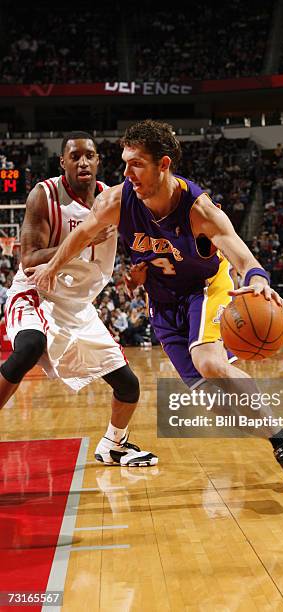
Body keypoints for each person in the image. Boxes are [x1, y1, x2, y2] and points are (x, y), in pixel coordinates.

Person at [27, 120, 283, 497]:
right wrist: (51, 268)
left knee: (210, 363)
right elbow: (81, 235)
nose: (126, 172)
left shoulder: (198, 208)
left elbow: (241, 254)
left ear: (163, 164)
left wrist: (259, 280)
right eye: (124, 162)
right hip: (163, 304)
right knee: (219, 407)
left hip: (206, 289)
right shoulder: (116, 200)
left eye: (137, 164)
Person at [0, 131, 157, 468]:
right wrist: (83, 238)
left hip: (78, 307)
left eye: (90, 155)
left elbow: (137, 241)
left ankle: (114, 445)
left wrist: (135, 272)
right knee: (28, 347)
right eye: (75, 156)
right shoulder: (44, 195)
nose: (83, 161)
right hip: (36, 293)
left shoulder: (112, 198)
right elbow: (29, 260)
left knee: (128, 386)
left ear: (99, 160)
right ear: (63, 162)